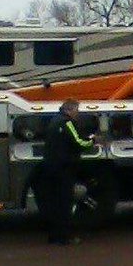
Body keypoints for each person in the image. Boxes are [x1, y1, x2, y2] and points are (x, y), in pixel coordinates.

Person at [38, 99, 98, 245]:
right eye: (77, 110)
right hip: (64, 167)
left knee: (55, 202)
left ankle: (54, 236)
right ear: (70, 110)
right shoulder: (67, 123)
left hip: (51, 166)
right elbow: (79, 142)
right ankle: (64, 237)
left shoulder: (54, 121)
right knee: (65, 203)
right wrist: (92, 140)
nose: (78, 113)